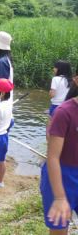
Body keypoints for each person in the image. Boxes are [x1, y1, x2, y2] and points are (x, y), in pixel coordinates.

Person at [40, 71, 78, 234]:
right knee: (60, 228)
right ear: (76, 80)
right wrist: (60, 197)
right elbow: (53, 157)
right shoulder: (64, 112)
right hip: (62, 175)